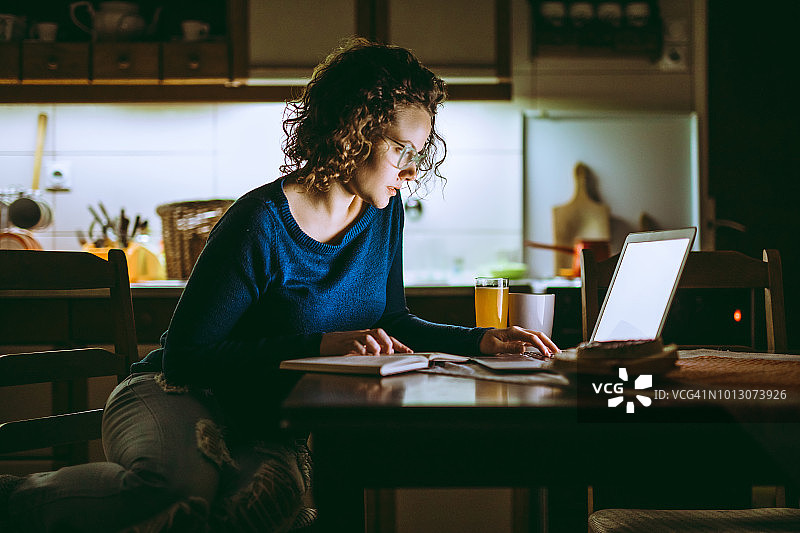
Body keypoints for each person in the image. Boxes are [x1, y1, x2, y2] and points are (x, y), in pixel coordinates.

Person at [0, 37, 558, 532]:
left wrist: (480, 340)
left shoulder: (383, 213)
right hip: (175, 395)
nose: (414, 169)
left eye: (421, 151)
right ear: (351, 130)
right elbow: (185, 359)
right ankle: (13, 500)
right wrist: (317, 346)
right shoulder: (260, 222)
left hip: (265, 422)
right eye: (401, 149)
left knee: (264, 504)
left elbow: (393, 321)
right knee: (178, 493)